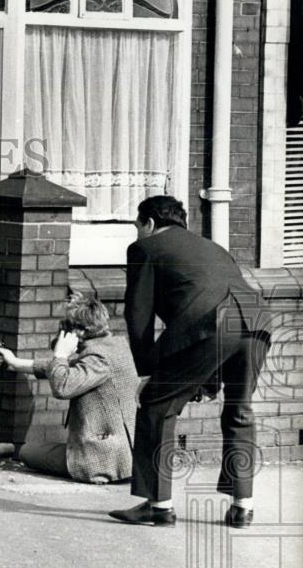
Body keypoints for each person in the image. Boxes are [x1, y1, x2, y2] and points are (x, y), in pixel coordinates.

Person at [110, 196, 272, 528]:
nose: (138, 233)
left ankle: (158, 506)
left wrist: (147, 372)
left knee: (157, 405)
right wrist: (205, 377)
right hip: (256, 319)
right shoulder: (212, 247)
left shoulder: (145, 249)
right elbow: (211, 296)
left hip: (211, 324)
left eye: (138, 226)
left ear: (150, 224)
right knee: (240, 410)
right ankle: (243, 506)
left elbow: (138, 315)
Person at [0, 293, 139, 484]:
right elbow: (69, 369)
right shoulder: (116, 346)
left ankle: (97, 473)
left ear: (79, 331)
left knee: (27, 451)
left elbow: (63, 386)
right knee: (45, 449)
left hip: (100, 458)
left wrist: (60, 354)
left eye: (66, 326)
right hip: (125, 455)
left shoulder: (97, 358)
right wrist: (15, 363)